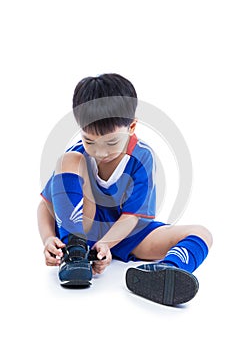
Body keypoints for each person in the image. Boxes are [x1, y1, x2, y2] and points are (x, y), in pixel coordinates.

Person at [37, 73, 213, 306]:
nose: (99, 152)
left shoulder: (141, 157)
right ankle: (75, 252)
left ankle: (166, 270)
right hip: (84, 229)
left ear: (131, 127)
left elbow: (132, 217)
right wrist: (49, 238)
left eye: (111, 142)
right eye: (89, 141)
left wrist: (107, 244)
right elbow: (45, 206)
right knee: (68, 159)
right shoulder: (77, 156)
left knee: (202, 233)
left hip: (126, 233)